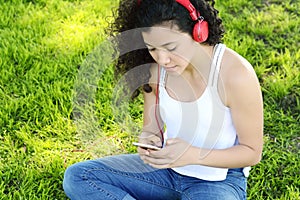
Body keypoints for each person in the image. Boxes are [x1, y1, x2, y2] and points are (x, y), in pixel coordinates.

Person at [63, 0, 264, 199]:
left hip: (218, 181)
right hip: (165, 172)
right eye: (152, 48)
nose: (162, 59)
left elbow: (251, 152)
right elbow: (152, 129)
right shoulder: (156, 72)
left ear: (198, 32)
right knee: (79, 177)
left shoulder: (235, 75)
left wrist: (193, 155)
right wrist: (149, 141)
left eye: (171, 47)